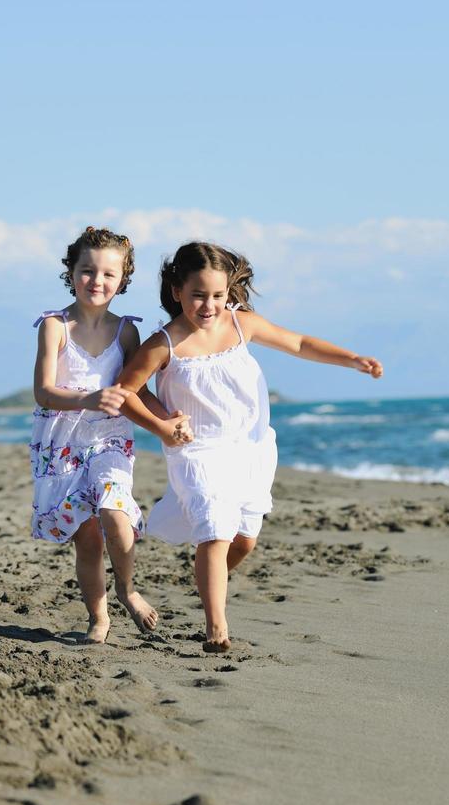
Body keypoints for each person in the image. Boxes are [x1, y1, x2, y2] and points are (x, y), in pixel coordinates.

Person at [115, 242, 383, 652]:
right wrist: (162, 425)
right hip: (196, 451)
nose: (209, 306)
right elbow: (126, 391)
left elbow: (298, 343)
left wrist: (351, 359)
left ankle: (208, 577)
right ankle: (216, 628)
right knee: (216, 530)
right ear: (177, 292)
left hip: (249, 448)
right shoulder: (164, 343)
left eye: (218, 296)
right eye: (198, 296)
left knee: (243, 541)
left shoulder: (241, 325)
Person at [31, 227, 193, 644]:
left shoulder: (126, 332)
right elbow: (43, 392)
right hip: (62, 444)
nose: (97, 281)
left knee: (116, 513)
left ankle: (127, 588)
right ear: (71, 271)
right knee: (86, 540)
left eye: (108, 274)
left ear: (123, 279)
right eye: (87, 271)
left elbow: (135, 391)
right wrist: (87, 398)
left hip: (111, 441)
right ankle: (97, 616)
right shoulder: (54, 326)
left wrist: (166, 420)